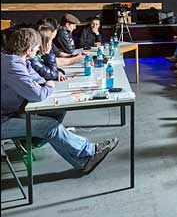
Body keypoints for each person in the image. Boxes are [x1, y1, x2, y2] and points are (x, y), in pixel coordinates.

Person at [1, 28, 119, 174]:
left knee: (56, 111)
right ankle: (88, 152)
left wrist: (44, 84)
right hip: (3, 120)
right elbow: (38, 94)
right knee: (49, 127)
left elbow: (40, 80)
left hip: (10, 113)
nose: (39, 51)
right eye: (37, 48)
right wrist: (47, 86)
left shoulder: (21, 61)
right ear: (29, 49)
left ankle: (81, 160)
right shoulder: (12, 65)